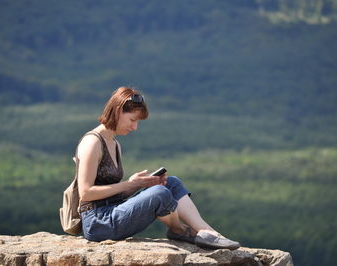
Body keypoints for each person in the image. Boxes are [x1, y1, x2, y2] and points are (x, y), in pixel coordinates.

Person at [76, 86, 240, 250]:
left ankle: (208, 232)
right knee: (160, 193)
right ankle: (180, 230)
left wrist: (139, 184)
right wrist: (130, 185)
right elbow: (86, 193)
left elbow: (110, 193)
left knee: (170, 183)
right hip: (98, 222)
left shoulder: (114, 143)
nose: (135, 127)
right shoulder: (93, 143)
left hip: (113, 210)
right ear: (118, 111)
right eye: (133, 120)